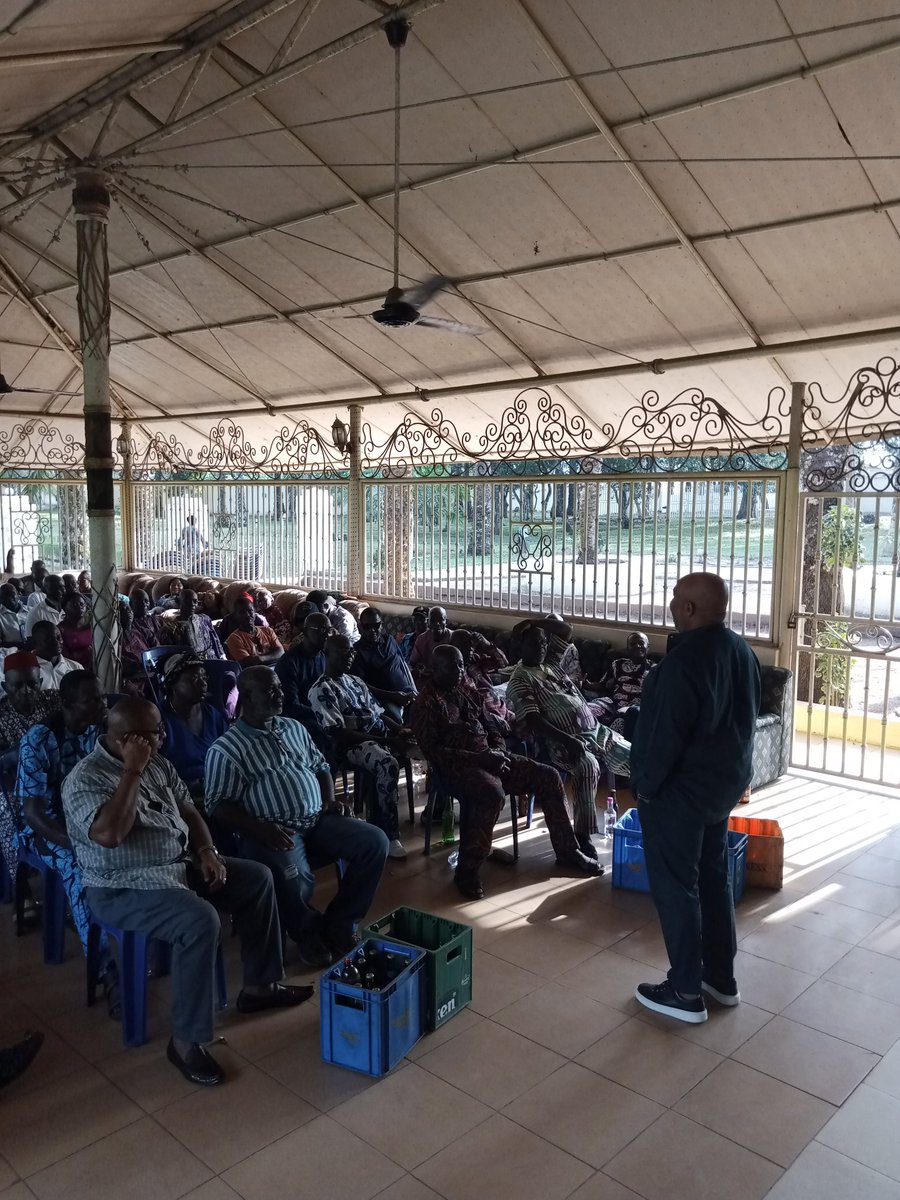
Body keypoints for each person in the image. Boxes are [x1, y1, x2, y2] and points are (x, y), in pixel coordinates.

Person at [62, 697, 313, 1087]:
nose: (162, 738)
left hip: (177, 867)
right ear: (126, 740)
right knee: (199, 921)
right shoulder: (85, 778)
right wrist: (132, 770)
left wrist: (207, 851)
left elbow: (189, 811)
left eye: (161, 729)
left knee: (256, 878)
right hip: (122, 886)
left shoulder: (159, 764)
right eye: (153, 734)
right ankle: (184, 1041)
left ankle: (260, 986)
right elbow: (110, 834)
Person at [631, 573, 761, 1025]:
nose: (670, 605)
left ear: (688, 608)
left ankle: (686, 991)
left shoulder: (682, 665)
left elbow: (662, 739)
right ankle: (720, 978)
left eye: (674, 598)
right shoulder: (741, 650)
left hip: (679, 794)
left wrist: (644, 788)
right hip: (721, 790)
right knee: (712, 878)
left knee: (677, 887)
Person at [204, 667, 389, 969]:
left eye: (279, 686)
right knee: (295, 880)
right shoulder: (227, 749)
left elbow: (321, 766)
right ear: (247, 697)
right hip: (271, 830)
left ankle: (340, 924)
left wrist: (329, 800)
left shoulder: (292, 727)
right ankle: (306, 932)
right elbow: (218, 806)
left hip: (317, 819)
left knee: (375, 842)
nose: (280, 694)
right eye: (270, 690)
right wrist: (260, 829)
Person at [410, 645, 603, 899]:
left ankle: (568, 850)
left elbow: (490, 726)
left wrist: (499, 752)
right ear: (434, 669)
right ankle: (467, 870)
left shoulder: (467, 690)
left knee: (549, 777)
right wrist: (481, 758)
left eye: (461, 665)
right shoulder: (425, 703)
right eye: (451, 666)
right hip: (454, 769)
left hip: (490, 758)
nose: (459, 671)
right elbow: (433, 751)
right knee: (491, 793)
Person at [16, 671, 120, 1014]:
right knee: (78, 868)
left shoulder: (100, 729)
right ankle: (106, 971)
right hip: (47, 829)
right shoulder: (39, 740)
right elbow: (33, 813)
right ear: (66, 704)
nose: (102, 705)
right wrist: (76, 844)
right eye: (93, 700)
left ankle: (141, 928)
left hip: (89, 819)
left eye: (102, 697)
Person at [506, 623, 631, 860]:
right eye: (534, 643)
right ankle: (583, 836)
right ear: (521, 646)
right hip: (561, 742)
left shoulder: (550, 663)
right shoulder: (520, 679)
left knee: (638, 758)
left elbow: (565, 630)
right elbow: (533, 720)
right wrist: (570, 741)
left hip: (597, 732)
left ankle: (655, 819)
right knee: (587, 766)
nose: (541, 647)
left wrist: (535, 622)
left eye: (544, 642)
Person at [309, 635, 413, 860]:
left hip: (378, 737)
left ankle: (435, 811)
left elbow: (379, 713)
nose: (350, 656)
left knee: (424, 743)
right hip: (350, 746)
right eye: (343, 652)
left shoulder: (355, 681)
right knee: (387, 763)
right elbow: (339, 733)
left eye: (351, 651)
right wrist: (389, 742)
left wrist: (399, 730)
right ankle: (389, 833)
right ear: (327, 654)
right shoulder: (321, 689)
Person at [0, 652, 59, 888]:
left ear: (41, 682)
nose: (26, 691)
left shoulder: (54, 701)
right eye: (17, 686)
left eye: (32, 684)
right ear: (5, 687)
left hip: (59, 775)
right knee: (6, 813)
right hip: (14, 784)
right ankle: (20, 885)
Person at [158, 652, 228, 800]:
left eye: (204, 677)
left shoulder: (211, 715)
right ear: (172, 684)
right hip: (180, 796)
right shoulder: (160, 719)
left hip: (218, 789)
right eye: (194, 678)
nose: (203, 683)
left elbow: (228, 754)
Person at [353, 606, 416, 722]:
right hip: (385, 698)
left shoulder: (389, 640)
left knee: (426, 710)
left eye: (376, 625)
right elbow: (361, 685)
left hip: (407, 692)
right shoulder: (357, 651)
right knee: (397, 720)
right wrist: (393, 696)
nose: (372, 630)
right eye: (367, 627)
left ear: (381, 625)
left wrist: (413, 689)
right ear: (360, 627)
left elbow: (403, 665)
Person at [584, 632, 652, 739]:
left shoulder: (654, 670)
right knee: (587, 709)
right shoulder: (618, 664)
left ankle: (609, 745)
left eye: (641, 643)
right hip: (613, 702)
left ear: (648, 647)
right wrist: (586, 685)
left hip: (634, 708)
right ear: (628, 648)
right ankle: (585, 741)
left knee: (621, 719)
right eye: (632, 644)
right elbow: (603, 685)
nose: (637, 646)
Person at [449, 629, 513, 736]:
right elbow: (469, 710)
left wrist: (487, 644)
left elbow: (503, 663)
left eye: (470, 645)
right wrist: (491, 718)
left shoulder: (476, 660)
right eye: (463, 646)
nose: (469, 649)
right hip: (487, 720)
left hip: (503, 710)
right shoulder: (454, 675)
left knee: (532, 727)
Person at [274, 611, 330, 724]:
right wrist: (323, 713)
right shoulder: (289, 663)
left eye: (329, 630)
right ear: (305, 631)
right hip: (303, 718)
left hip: (328, 712)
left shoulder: (327, 656)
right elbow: (290, 705)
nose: (327, 635)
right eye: (321, 629)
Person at [224, 596, 283, 666]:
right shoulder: (234, 639)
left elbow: (281, 652)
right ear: (235, 616)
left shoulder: (268, 630)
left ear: (255, 612)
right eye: (242, 612)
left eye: (250, 611)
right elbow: (248, 663)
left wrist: (260, 659)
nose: (247, 615)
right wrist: (272, 656)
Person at [167, 590, 226, 660]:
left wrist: (222, 657)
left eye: (195, 601)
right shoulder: (172, 627)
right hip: (190, 663)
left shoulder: (205, 619)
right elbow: (171, 655)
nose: (192, 604)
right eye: (187, 601)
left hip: (212, 659)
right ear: (179, 602)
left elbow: (216, 642)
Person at [30, 620, 81, 689]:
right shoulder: (27, 672)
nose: (56, 643)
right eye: (48, 640)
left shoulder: (75, 667)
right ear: (34, 643)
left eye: (58, 637)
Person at [409, 606, 453, 680]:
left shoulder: (454, 638)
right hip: (426, 679)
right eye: (433, 620)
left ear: (446, 622)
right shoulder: (421, 639)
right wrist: (418, 670)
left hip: (447, 679)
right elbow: (412, 663)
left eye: (441, 619)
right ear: (428, 622)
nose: (437, 623)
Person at [58, 593, 93, 670]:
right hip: (74, 669)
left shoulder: (92, 625)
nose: (79, 607)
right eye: (74, 605)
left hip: (98, 666)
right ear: (65, 608)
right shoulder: (61, 629)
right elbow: (65, 658)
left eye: (81, 604)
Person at [0, 582, 25, 648]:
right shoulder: (1, 617)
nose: (9, 598)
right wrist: (21, 645)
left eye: (12, 594)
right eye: (4, 596)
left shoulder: (30, 611)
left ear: (18, 595)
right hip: (12, 651)